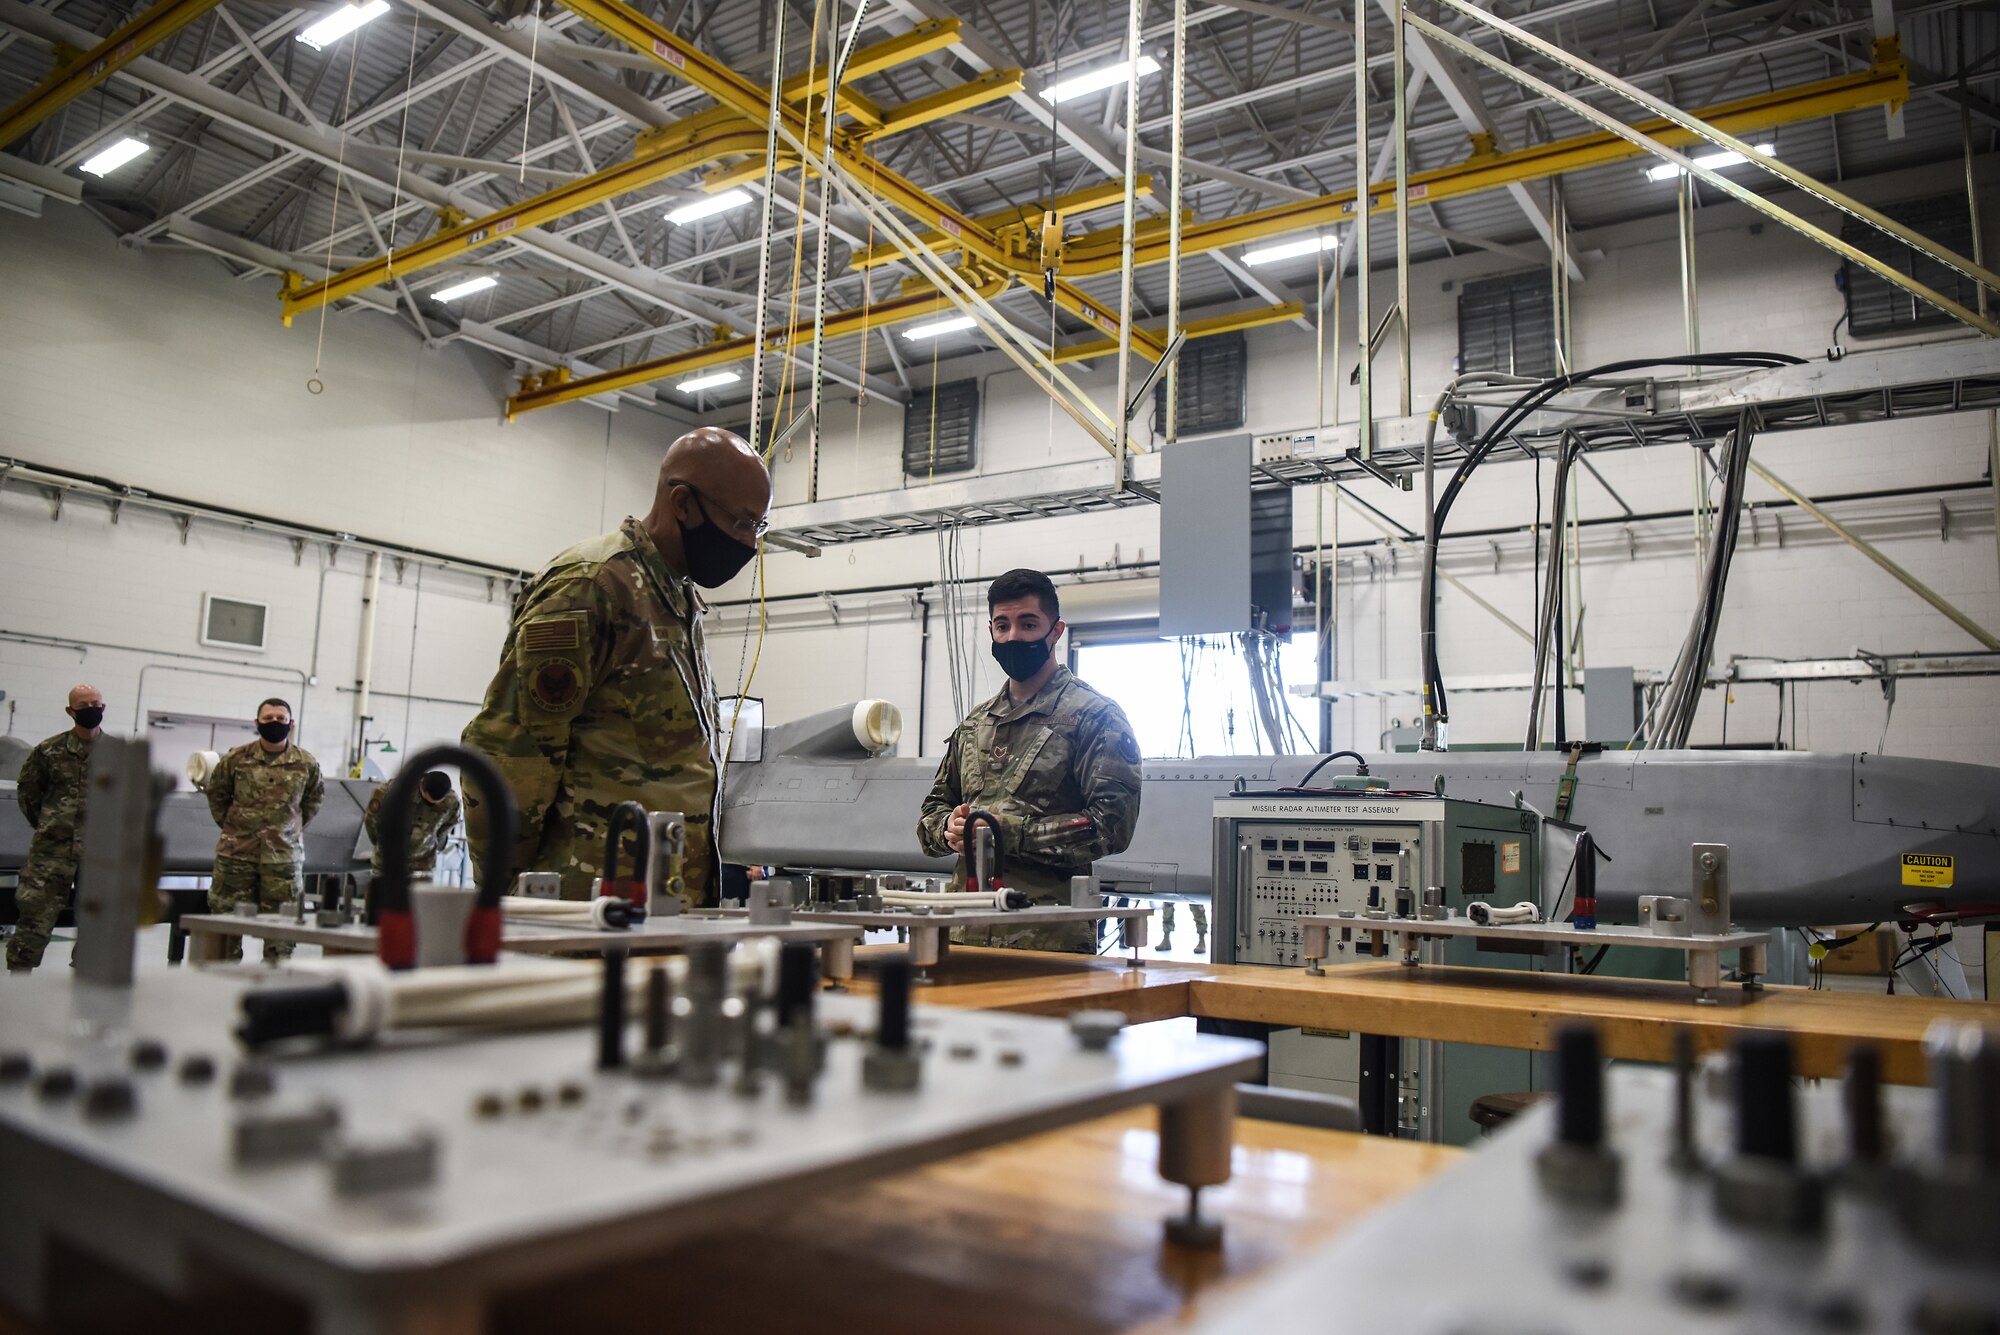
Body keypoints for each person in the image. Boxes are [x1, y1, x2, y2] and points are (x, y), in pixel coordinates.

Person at [462, 427, 771, 904]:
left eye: (759, 527)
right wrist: (508, 896)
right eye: (741, 523)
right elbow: (509, 754)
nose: (749, 543)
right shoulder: (593, 587)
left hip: (660, 910)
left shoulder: (677, 598)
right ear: (683, 503)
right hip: (583, 914)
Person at [917, 569, 1143, 952]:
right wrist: (947, 830)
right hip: (963, 933)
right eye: (1002, 625)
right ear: (991, 630)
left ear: (1056, 631)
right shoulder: (975, 723)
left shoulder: (1095, 717)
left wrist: (1009, 835)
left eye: (1028, 623)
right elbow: (931, 814)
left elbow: (1111, 828)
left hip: (1048, 939)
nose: (1013, 636)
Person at [205, 698, 325, 962]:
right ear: (257, 722)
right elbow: (217, 796)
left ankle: (274, 987)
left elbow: (313, 801)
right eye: (268, 718)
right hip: (236, 856)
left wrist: (287, 830)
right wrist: (238, 829)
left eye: (280, 719)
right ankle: (221, 987)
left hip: (283, 859)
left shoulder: (305, 763)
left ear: (291, 724)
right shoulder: (236, 758)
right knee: (226, 927)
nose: (274, 723)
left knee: (282, 931)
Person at [5, 685, 106, 973]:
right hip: (51, 854)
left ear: (103, 707)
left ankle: (84, 994)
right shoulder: (48, 751)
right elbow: (28, 795)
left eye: (95, 704)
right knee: (34, 921)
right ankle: (19, 988)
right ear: (70, 711)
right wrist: (51, 826)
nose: (90, 709)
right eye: (83, 705)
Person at [364, 770, 461, 878]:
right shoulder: (394, 791)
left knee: (420, 895)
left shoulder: (451, 801)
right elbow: (372, 821)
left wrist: (433, 842)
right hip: (387, 862)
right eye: (427, 801)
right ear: (422, 787)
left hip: (423, 864)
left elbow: (448, 825)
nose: (430, 805)